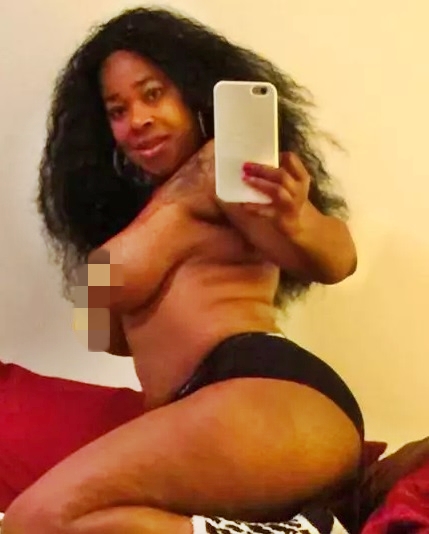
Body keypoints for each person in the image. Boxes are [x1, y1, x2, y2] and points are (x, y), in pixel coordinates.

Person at [2, 7, 363, 534]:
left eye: (153, 94)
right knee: (90, 525)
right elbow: (99, 331)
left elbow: (338, 259)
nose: (138, 120)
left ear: (195, 93)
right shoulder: (157, 204)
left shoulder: (219, 169)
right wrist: (166, 212)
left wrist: (298, 220)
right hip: (203, 411)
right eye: (117, 110)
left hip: (259, 386)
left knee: (35, 519)